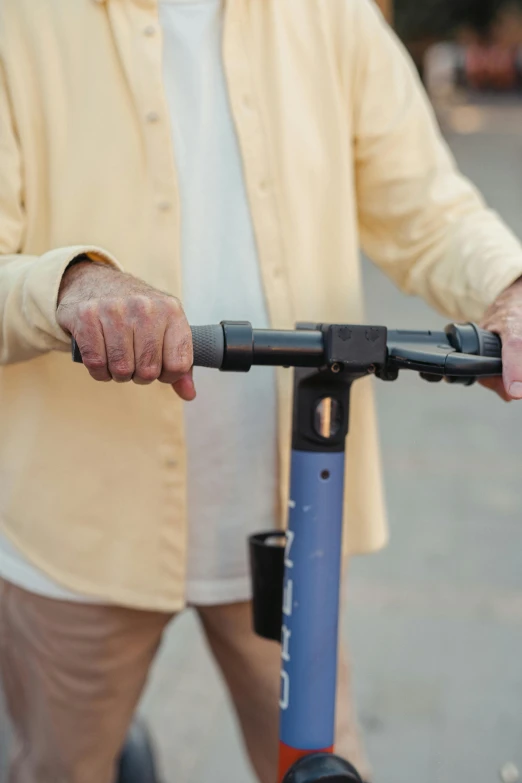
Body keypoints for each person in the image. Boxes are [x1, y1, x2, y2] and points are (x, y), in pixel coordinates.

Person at [0, 1, 522, 782]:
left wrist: (508, 286)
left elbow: (429, 211)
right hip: (77, 529)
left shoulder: (332, 14)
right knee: (61, 764)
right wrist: (69, 282)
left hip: (291, 509)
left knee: (321, 760)